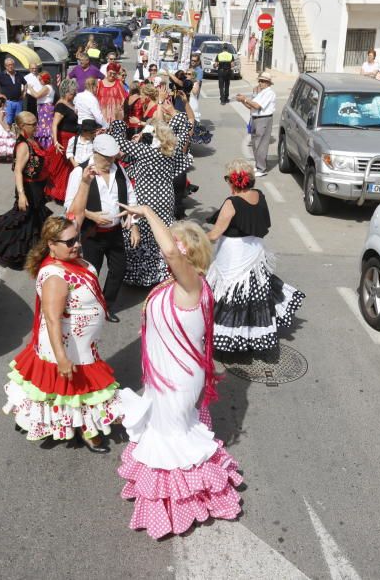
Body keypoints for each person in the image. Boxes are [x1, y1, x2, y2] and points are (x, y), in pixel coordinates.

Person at [117, 205, 243, 539]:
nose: (164, 250)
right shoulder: (176, 283)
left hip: (178, 378)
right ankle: (175, 501)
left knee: (172, 439)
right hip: (163, 374)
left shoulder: (193, 285)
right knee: (166, 433)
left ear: (184, 252)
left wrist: (146, 211)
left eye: (170, 245)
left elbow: (170, 252)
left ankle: (185, 505)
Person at [2, 214, 121, 450]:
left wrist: (85, 181)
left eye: (76, 238)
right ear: (51, 245)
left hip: (82, 343)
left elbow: (75, 210)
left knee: (70, 390)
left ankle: (78, 425)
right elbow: (53, 320)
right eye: (69, 242)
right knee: (75, 389)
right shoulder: (55, 277)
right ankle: (86, 429)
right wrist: (62, 358)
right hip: (66, 345)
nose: (76, 244)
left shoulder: (69, 255)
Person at [206, 159, 304, 353]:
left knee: (230, 294)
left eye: (227, 179)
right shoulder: (259, 196)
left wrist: (191, 239)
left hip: (233, 254)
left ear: (233, 181)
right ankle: (251, 336)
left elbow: (215, 234)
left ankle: (230, 338)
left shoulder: (231, 203)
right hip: (254, 252)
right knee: (252, 293)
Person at [66, 134, 140, 323]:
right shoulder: (79, 172)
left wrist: (134, 226)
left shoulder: (119, 170)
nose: (110, 161)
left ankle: (106, 306)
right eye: (107, 158)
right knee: (91, 273)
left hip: (115, 233)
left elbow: (131, 199)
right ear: (96, 153)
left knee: (119, 268)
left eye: (113, 157)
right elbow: (69, 207)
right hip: (91, 234)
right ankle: (84, 307)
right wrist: (92, 215)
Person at [0, 112, 51, 269]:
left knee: (33, 220)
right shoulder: (23, 145)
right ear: (22, 126)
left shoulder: (32, 140)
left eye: (36, 122)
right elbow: (17, 171)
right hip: (28, 189)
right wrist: (22, 195)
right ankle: (8, 249)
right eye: (32, 124)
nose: (36, 126)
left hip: (37, 188)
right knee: (24, 221)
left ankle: (34, 252)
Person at [109, 119, 179, 287]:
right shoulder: (169, 152)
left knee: (145, 231)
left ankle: (143, 275)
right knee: (161, 231)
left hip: (148, 200)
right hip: (165, 199)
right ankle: (162, 272)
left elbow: (118, 142)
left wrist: (119, 122)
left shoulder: (147, 152)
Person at [237, 71, 275, 177]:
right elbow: (251, 106)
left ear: (268, 83)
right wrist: (243, 101)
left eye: (263, 81)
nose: (260, 83)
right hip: (255, 118)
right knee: (255, 143)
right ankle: (259, 165)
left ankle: (262, 168)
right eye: (260, 81)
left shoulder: (269, 93)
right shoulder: (261, 92)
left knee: (261, 144)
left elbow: (257, 106)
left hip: (263, 119)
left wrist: (245, 99)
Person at [46, 78, 78, 204]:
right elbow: (54, 125)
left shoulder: (69, 103)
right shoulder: (60, 105)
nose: (74, 95)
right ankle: (60, 194)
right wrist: (55, 141)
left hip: (71, 138)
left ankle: (65, 193)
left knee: (68, 168)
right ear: (66, 92)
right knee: (62, 168)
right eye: (72, 93)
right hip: (63, 139)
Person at [0, 58, 26, 126]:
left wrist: (24, 93)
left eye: (12, 64)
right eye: (8, 65)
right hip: (8, 102)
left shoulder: (18, 74)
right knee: (8, 121)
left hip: (18, 102)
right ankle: (9, 135)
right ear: (5, 66)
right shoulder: (1, 75)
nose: (10, 66)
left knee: (19, 121)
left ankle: (17, 136)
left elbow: (25, 84)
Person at [29, 72, 56, 150]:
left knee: (46, 127)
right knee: (44, 126)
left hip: (45, 109)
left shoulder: (46, 87)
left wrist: (30, 88)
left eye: (40, 79)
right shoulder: (47, 87)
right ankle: (45, 145)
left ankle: (47, 146)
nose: (39, 81)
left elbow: (37, 95)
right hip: (43, 108)